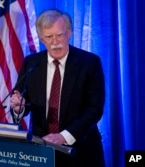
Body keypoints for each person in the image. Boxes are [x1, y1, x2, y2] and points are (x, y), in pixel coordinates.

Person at [9, 9, 105, 167]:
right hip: (42, 150)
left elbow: (94, 109)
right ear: (41, 38)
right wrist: (18, 108)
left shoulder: (89, 63)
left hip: (81, 150)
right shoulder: (31, 63)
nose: (55, 42)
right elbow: (22, 102)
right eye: (48, 37)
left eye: (59, 35)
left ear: (69, 33)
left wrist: (64, 137)